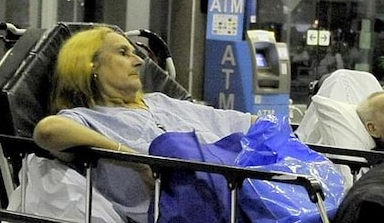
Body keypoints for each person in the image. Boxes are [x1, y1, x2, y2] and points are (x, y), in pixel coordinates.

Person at [33, 26, 256, 223]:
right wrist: (136, 161)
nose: (139, 61)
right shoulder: (88, 119)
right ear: (92, 65)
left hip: (242, 193)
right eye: (123, 53)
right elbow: (48, 131)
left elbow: (235, 121)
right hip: (189, 210)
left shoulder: (160, 102)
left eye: (134, 53)